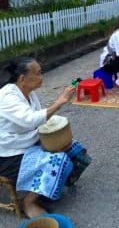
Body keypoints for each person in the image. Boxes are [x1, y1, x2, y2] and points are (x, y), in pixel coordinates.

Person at [0, 57, 91, 218]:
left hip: (29, 144)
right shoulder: (7, 96)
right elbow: (30, 120)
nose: (42, 76)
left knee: (74, 149)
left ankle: (48, 188)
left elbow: (38, 119)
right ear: (23, 79)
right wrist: (59, 102)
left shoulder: (29, 93)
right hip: (9, 156)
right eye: (38, 73)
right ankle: (28, 202)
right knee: (58, 160)